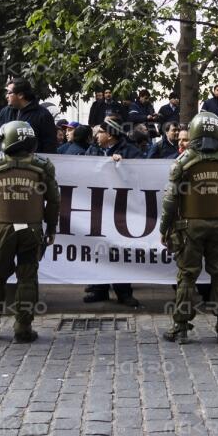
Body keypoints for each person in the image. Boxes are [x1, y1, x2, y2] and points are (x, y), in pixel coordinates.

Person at [159, 112, 218, 344]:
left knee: (187, 276)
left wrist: (164, 228)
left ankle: (181, 327)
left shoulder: (183, 162)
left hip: (189, 228)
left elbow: (170, 201)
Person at [0, 121, 60, 343]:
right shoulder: (43, 166)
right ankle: (23, 328)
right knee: (27, 279)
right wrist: (51, 228)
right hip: (31, 229)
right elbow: (54, 201)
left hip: (2, 229)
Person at [83, 116, 141, 307]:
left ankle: (124, 292)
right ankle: (99, 289)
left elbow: (141, 174)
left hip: (120, 209)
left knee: (119, 249)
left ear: (110, 135)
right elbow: (83, 168)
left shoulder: (130, 152)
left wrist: (123, 165)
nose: (96, 135)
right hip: (98, 208)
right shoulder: (93, 150)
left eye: (100, 132)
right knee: (99, 248)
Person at [0, 79, 57, 154]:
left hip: (32, 163)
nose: (6, 96)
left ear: (20, 95)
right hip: (5, 163)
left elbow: (49, 146)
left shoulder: (43, 115)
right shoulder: (5, 112)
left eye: (9, 93)